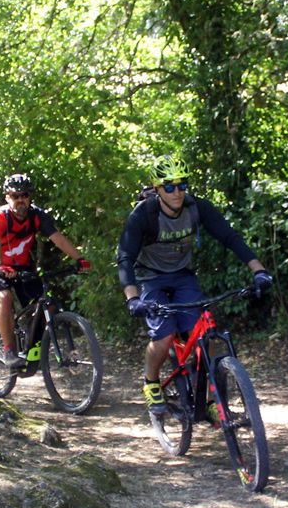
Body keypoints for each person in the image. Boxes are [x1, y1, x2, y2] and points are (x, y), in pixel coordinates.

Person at [117, 155, 273, 414]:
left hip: (182, 275)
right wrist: (132, 298)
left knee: (204, 335)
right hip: (150, 278)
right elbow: (125, 257)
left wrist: (259, 271)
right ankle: (151, 381)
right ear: (157, 189)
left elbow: (230, 237)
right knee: (165, 336)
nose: (177, 192)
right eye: (169, 186)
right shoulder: (144, 215)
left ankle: (210, 401)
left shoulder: (196, 208)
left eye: (182, 185)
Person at [0, 173, 89, 370]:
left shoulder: (37, 216)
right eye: (15, 196)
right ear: (7, 197)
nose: (20, 199)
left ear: (30, 197)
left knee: (47, 306)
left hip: (22, 268)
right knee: (4, 298)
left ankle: (31, 348)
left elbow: (58, 238)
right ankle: (9, 350)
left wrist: (80, 259)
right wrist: (0, 265)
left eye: (25, 195)